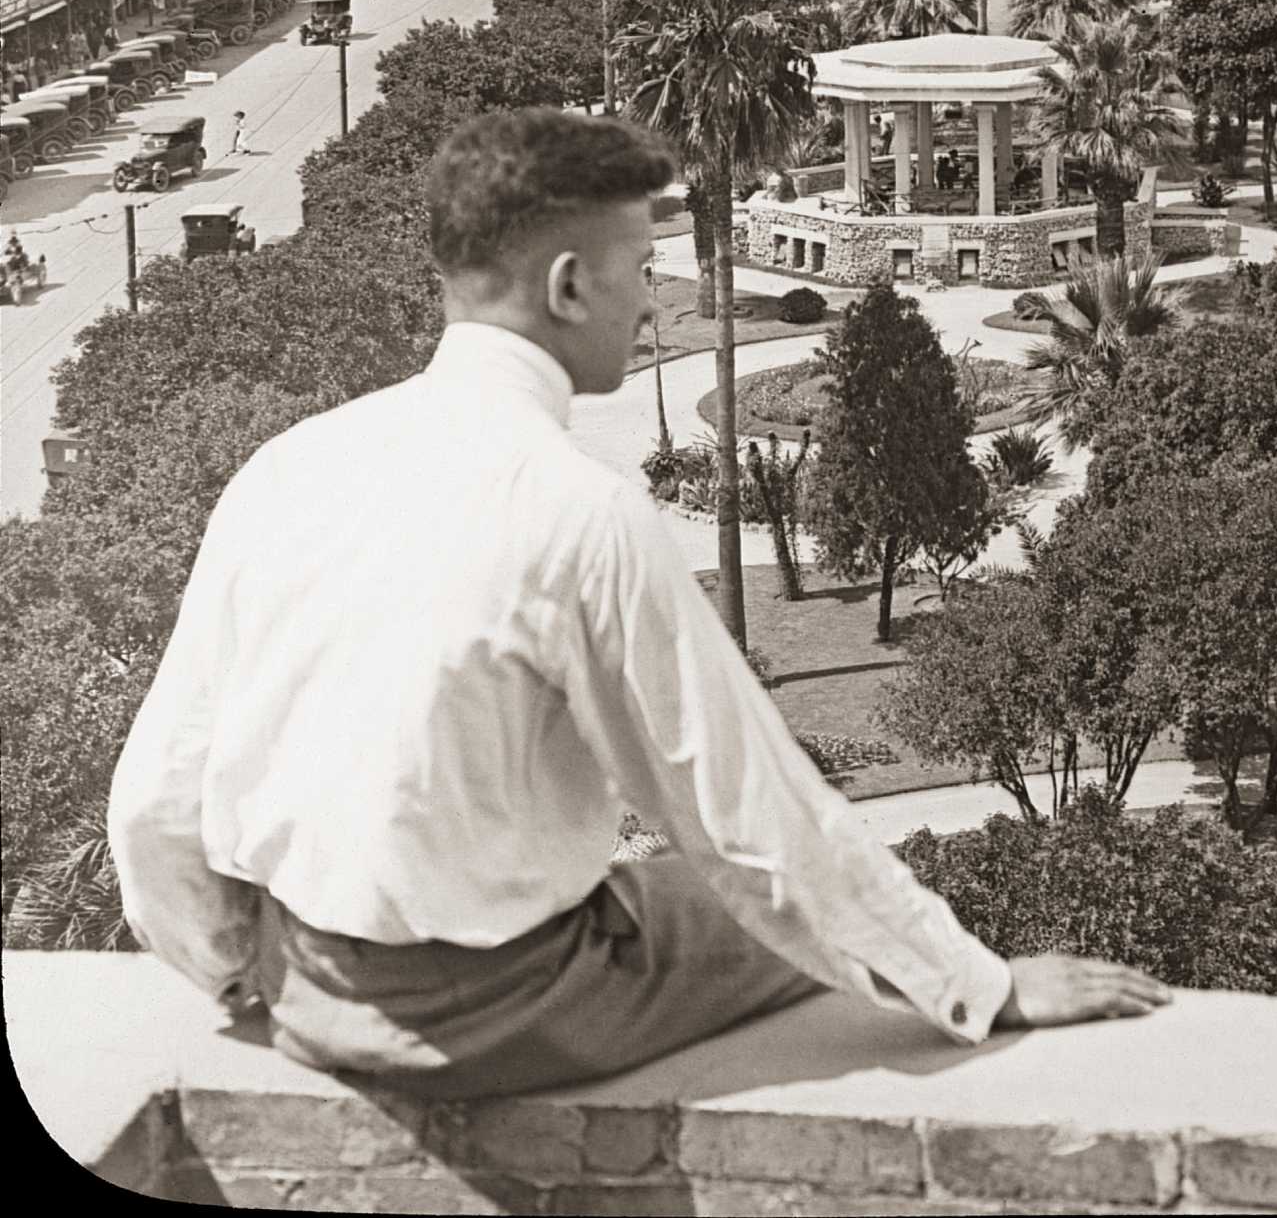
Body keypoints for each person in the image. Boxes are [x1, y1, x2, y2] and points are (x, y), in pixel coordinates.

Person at [107, 110, 1168, 1100]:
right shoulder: (578, 511)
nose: (653, 298)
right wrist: (979, 987)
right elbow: (747, 813)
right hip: (486, 1018)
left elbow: (154, 796)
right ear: (568, 286)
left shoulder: (290, 465)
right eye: (640, 268)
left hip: (307, 990)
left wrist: (234, 971)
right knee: (751, 911)